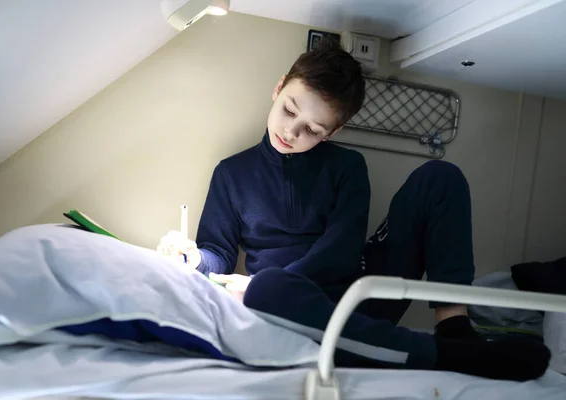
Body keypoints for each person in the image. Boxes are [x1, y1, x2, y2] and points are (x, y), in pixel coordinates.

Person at [159, 40, 550, 381]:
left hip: (359, 292)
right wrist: (194, 257)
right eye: (289, 110)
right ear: (278, 88)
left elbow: (341, 254)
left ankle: (454, 329)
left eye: (313, 129)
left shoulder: (346, 167)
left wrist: (259, 284)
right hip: (288, 306)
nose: (293, 132)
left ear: (333, 132)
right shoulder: (232, 174)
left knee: (439, 176)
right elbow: (218, 256)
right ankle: (438, 357)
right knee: (270, 288)